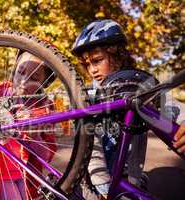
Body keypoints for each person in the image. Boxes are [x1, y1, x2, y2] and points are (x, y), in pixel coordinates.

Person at [71, 19, 148, 198]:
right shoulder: (86, 96)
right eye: (87, 64)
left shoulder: (137, 85)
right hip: (93, 180)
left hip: (129, 177)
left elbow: (169, 107)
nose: (92, 70)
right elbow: (89, 144)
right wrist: (103, 183)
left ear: (118, 55)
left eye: (97, 61)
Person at [0, 52, 57, 200]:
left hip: (28, 176)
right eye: (20, 72)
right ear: (14, 69)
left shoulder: (45, 106)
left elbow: (48, 154)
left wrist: (34, 134)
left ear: (44, 83)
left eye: (34, 78)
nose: (24, 81)